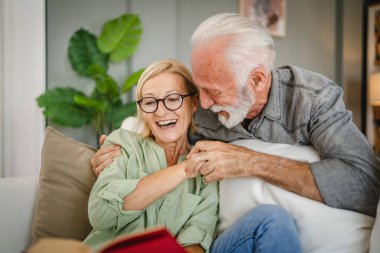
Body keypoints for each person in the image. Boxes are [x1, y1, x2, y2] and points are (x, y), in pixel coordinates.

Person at [90, 13, 380, 252]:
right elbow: (161, 115)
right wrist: (116, 144)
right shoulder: (196, 106)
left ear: (257, 79)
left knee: (272, 221)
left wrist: (250, 161)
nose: (203, 104)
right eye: (199, 90)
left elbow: (365, 186)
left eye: (213, 92)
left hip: (291, 233)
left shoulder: (313, 100)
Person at [83, 59, 219, 253]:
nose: (161, 111)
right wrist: (184, 169)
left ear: (194, 103)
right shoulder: (123, 143)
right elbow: (102, 214)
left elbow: (196, 239)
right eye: (149, 102)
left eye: (173, 99)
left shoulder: (207, 168)